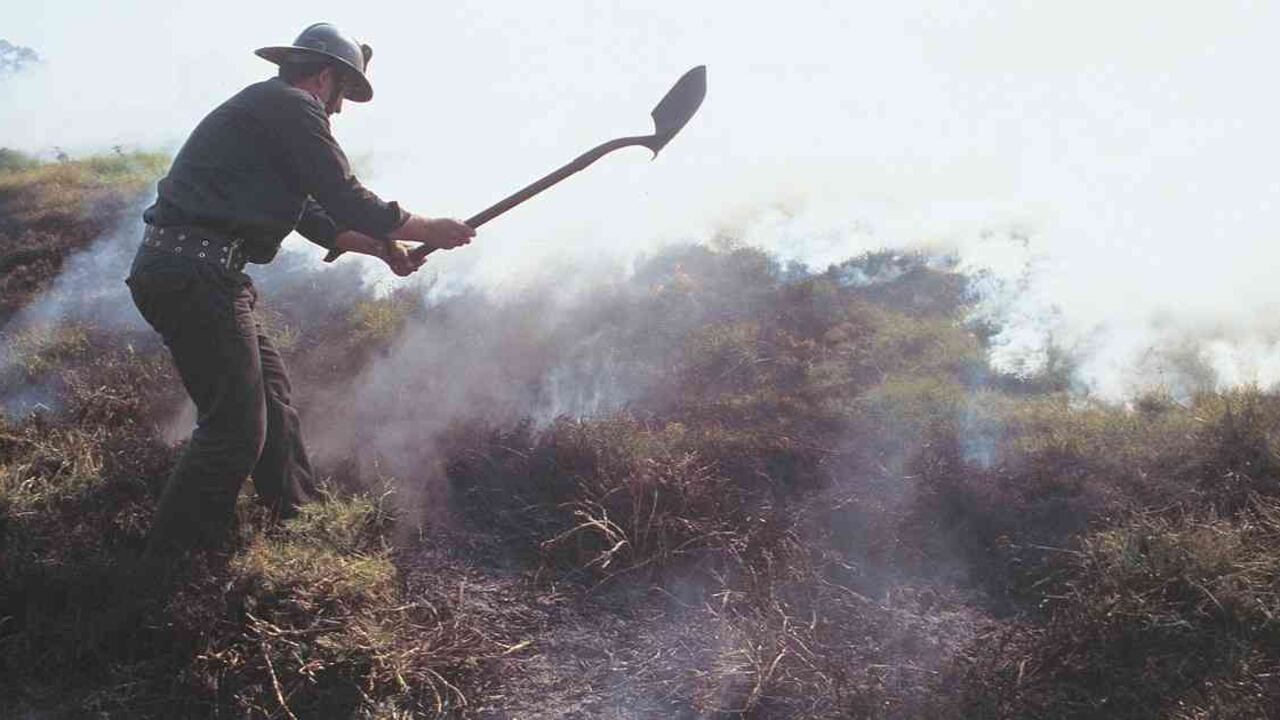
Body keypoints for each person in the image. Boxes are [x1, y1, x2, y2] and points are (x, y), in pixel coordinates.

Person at [125, 22, 474, 559]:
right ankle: (171, 570)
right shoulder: (291, 106)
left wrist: (384, 248)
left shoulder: (271, 112)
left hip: (202, 274)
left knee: (273, 401)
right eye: (343, 96)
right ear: (327, 76)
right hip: (195, 274)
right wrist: (430, 229)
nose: (340, 110)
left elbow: (316, 217)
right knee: (235, 430)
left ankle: (296, 524)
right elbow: (347, 195)